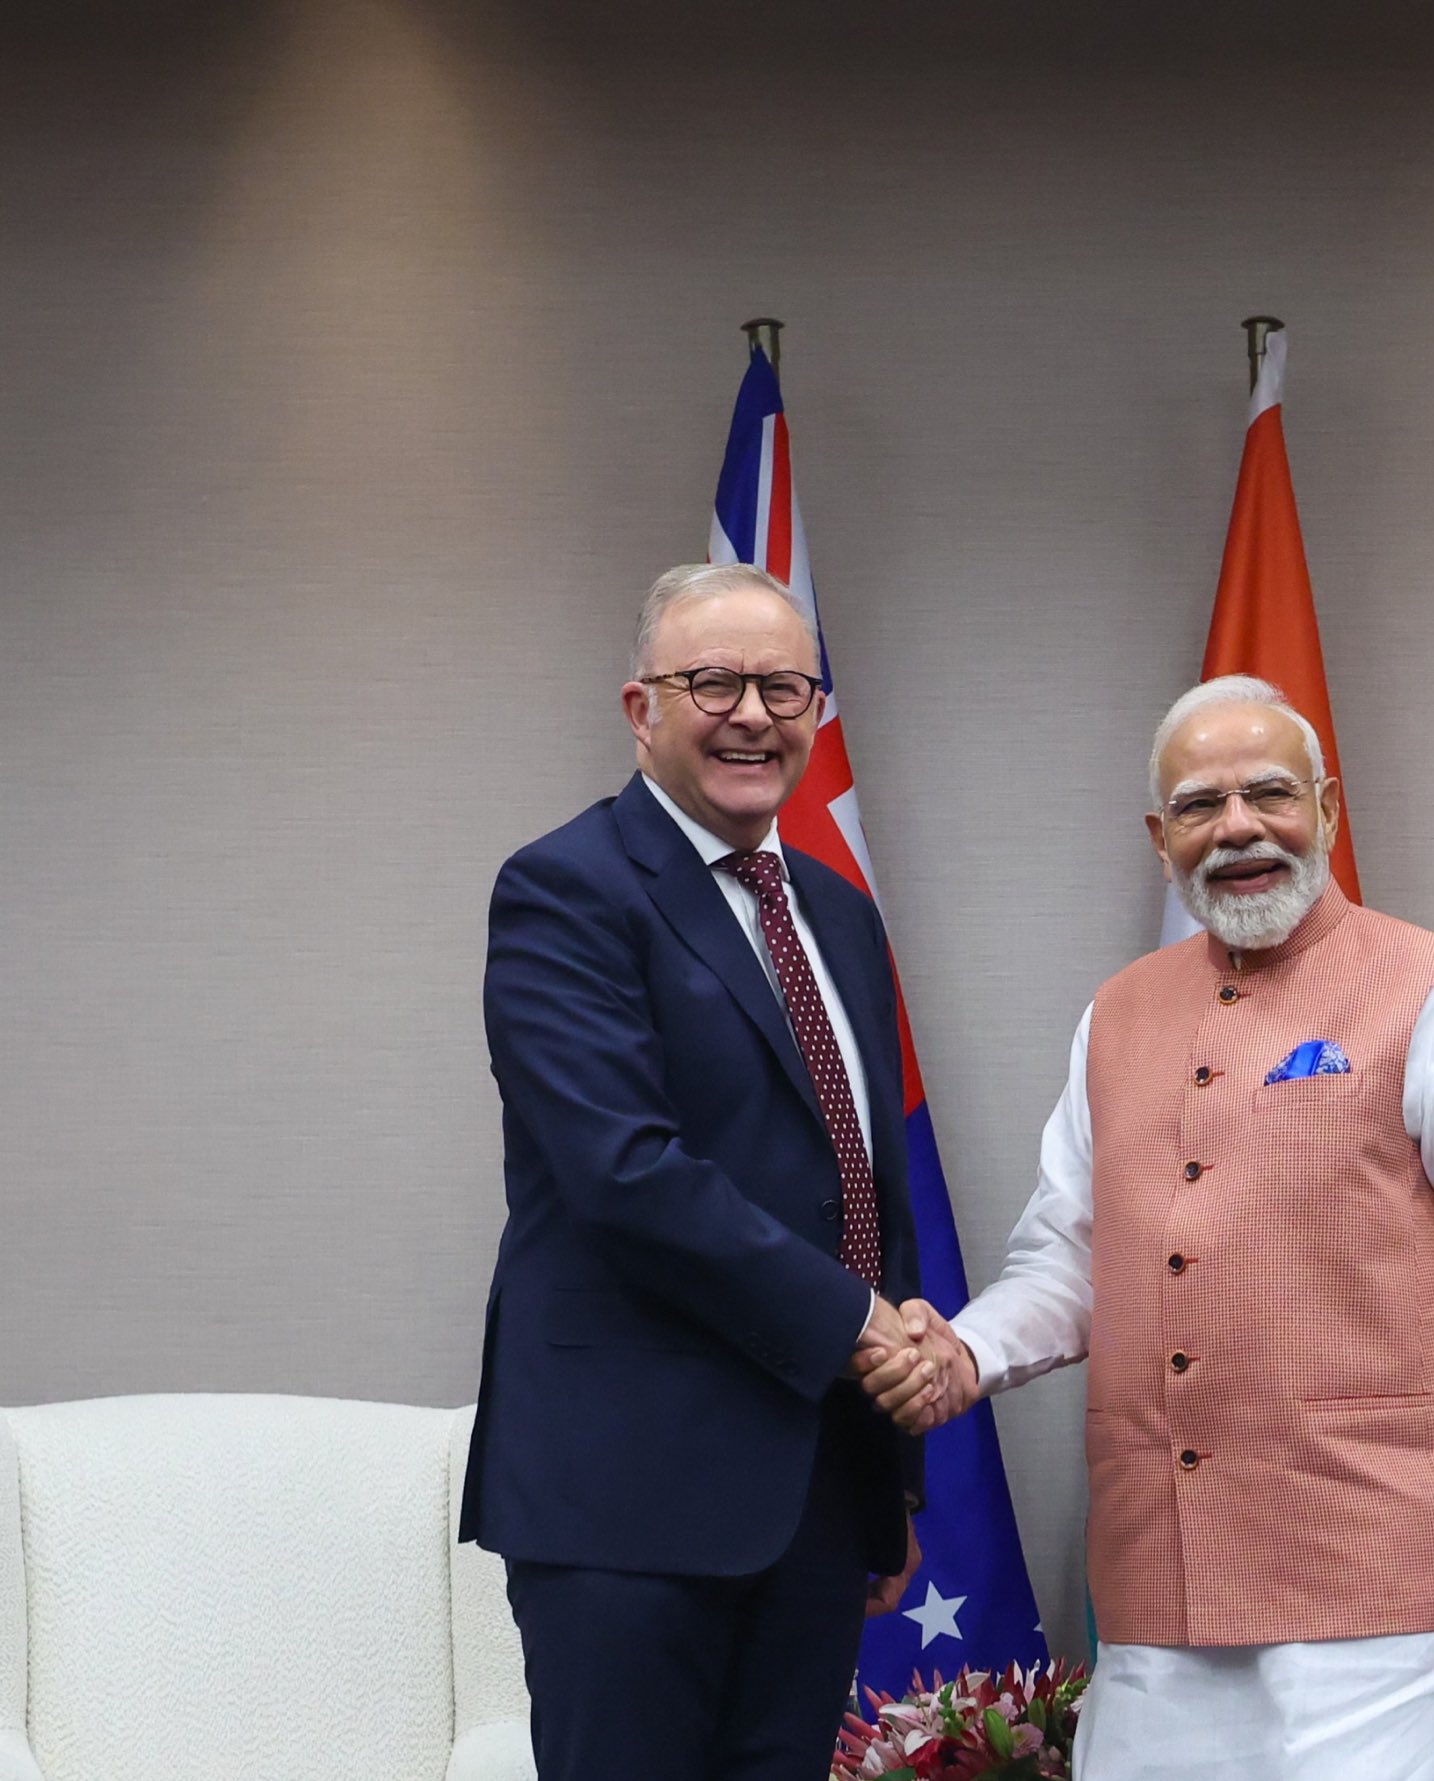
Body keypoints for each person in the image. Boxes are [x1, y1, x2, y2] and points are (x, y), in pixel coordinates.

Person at [863, 674, 1434, 1781]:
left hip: (1373, 1605)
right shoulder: (1119, 1010)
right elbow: (1068, 1255)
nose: (1237, 825)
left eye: (1267, 793)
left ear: (1327, 808)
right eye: (1199, 804)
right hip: (1155, 1600)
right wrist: (963, 1350)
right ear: (1161, 839)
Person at [460, 562, 939, 1781]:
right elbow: (625, 1173)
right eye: (712, 680)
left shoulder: (835, 910)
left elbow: (859, 1177)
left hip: (815, 1492)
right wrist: (861, 1328)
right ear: (640, 708)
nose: (752, 712)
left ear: (815, 713)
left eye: (783, 686)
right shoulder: (564, 890)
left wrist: (887, 1468)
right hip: (628, 1498)